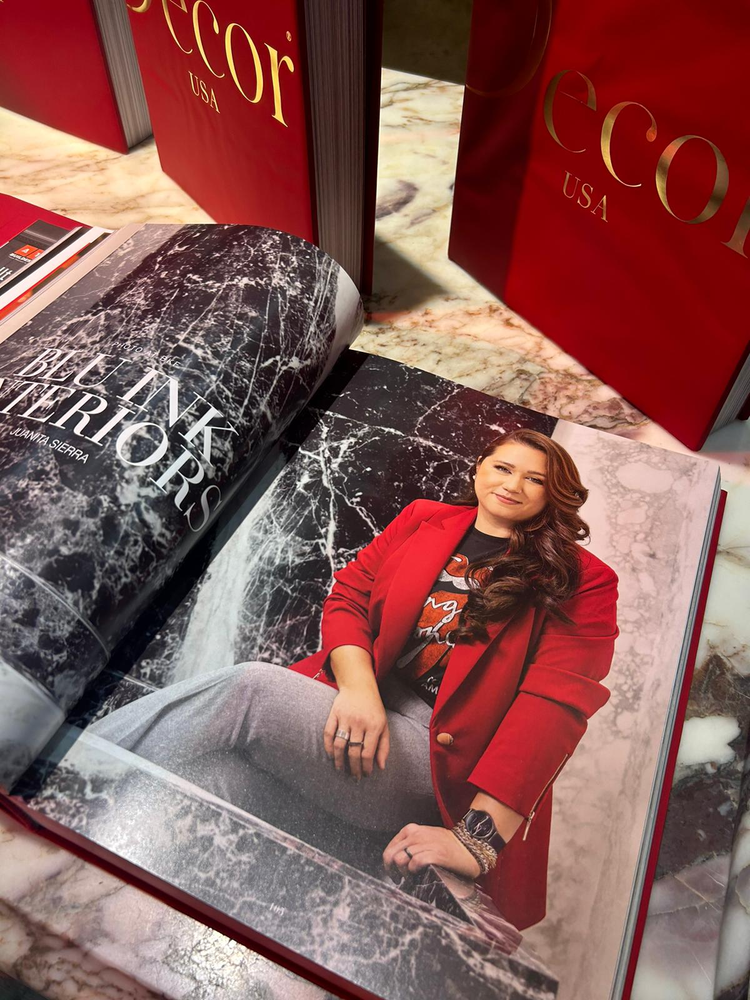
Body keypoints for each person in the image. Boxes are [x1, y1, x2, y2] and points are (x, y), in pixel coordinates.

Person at [90, 428, 618, 931]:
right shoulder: (423, 518)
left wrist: (476, 840)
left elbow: (553, 707)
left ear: (556, 495)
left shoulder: (583, 579)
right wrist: (359, 690)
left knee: (247, 691)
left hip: (432, 753)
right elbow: (349, 598)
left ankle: (70, 768)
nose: (513, 484)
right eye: (503, 467)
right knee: (216, 778)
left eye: (535, 479)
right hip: (361, 705)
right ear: (479, 470)